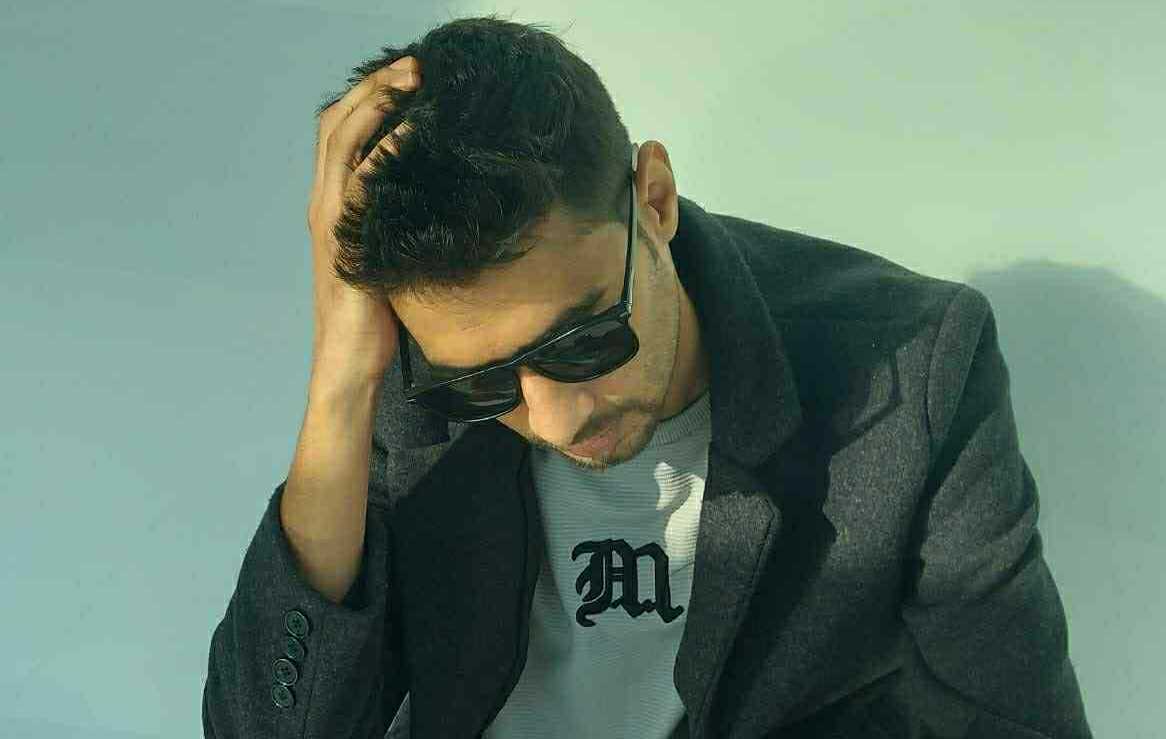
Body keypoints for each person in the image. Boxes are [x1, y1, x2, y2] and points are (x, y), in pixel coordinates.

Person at [202, 14, 1092, 739]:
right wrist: (340, 383)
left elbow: (1015, 722)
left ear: (654, 200)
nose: (555, 417)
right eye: (486, 384)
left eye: (583, 338)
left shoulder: (913, 366)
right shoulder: (418, 376)